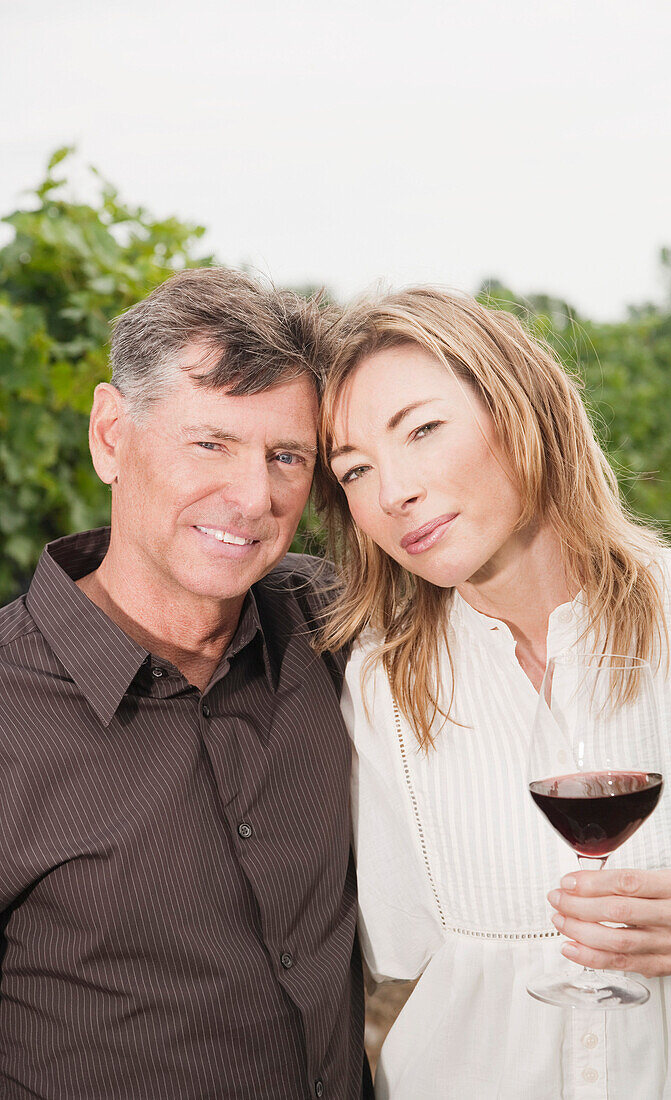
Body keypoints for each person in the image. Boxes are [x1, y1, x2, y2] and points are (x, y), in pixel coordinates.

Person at [315, 286, 671, 1099]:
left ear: (522, 412)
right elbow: (398, 952)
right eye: (355, 469)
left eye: (423, 430)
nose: (391, 491)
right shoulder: (377, 686)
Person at [0, 268, 372, 1100]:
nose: (251, 498)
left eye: (286, 457)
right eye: (210, 444)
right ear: (110, 435)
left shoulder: (339, 627)